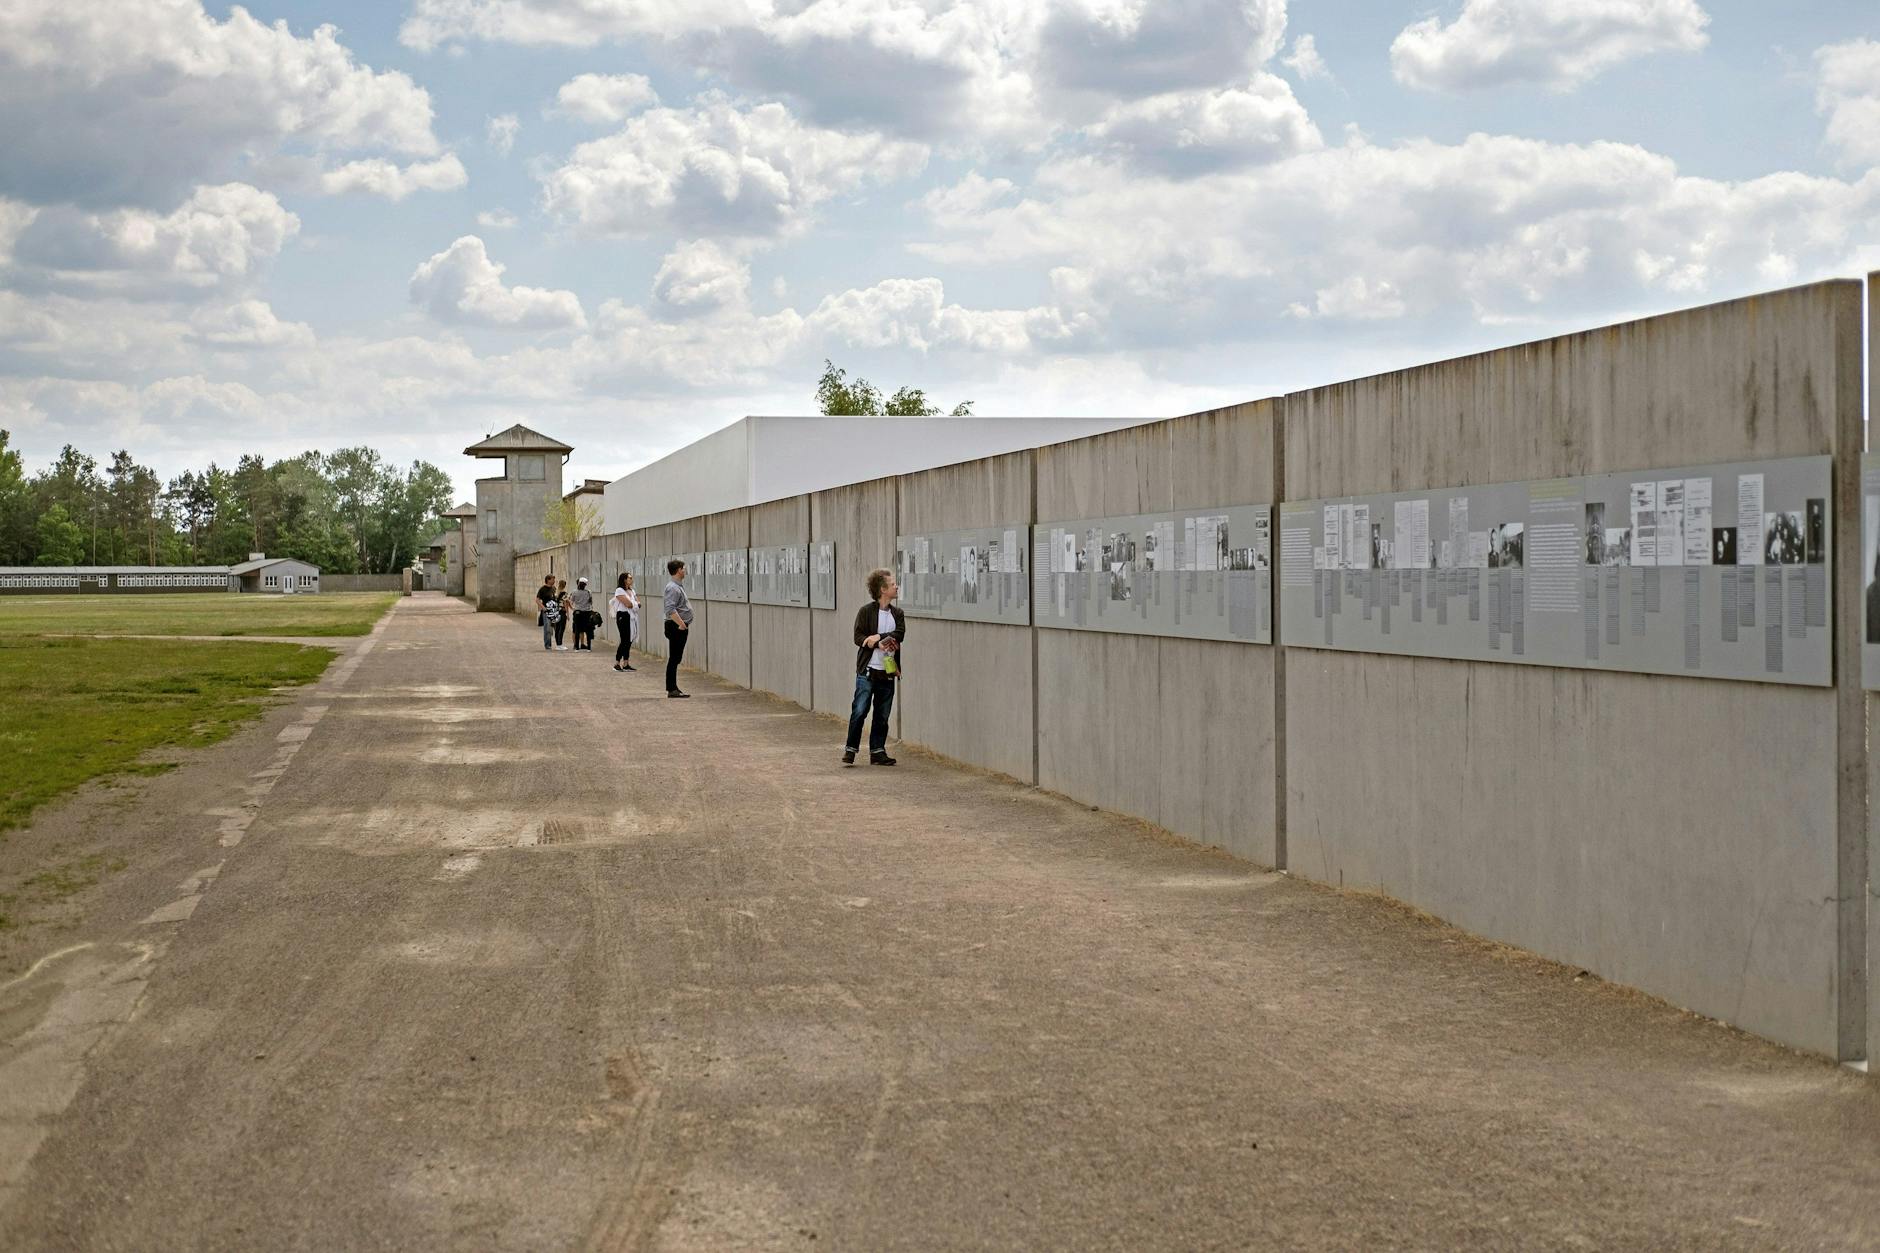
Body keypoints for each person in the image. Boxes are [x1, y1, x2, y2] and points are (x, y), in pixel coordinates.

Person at [844, 567, 905, 766]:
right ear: (882, 589)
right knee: (860, 710)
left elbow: (900, 634)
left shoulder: (897, 613)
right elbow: (858, 636)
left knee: (882, 714)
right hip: (868, 670)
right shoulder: (866, 611)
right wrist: (872, 643)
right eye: (893, 584)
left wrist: (878, 637)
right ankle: (850, 750)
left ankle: (877, 751)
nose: (896, 587)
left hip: (887, 670)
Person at [663, 559, 693, 697]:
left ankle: (673, 687)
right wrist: (681, 624)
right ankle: (672, 689)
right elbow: (670, 609)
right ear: (678, 570)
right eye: (683, 568)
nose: (685, 571)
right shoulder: (673, 588)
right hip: (676, 626)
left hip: (679, 626)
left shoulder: (677, 586)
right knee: (674, 658)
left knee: (676, 658)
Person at [612, 572, 638, 671]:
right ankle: (617, 663)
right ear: (624, 580)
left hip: (631, 616)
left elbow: (638, 602)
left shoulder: (632, 591)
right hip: (623, 616)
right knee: (624, 640)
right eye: (629, 578)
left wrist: (635, 604)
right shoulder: (619, 590)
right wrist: (635, 604)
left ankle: (626, 663)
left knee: (629, 640)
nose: (631, 579)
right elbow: (628, 604)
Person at [535, 575, 560, 651]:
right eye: (553, 579)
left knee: (557, 628)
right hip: (547, 612)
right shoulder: (542, 589)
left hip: (554, 611)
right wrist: (543, 608)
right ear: (548, 580)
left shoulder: (554, 588)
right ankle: (548, 645)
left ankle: (559, 644)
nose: (554, 581)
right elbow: (537, 600)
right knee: (548, 629)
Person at [571, 576, 595, 651]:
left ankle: (577, 648)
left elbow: (572, 601)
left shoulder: (574, 592)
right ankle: (589, 648)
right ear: (585, 585)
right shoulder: (589, 592)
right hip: (587, 613)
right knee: (588, 630)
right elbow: (591, 602)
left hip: (577, 612)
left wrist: (575, 607)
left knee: (577, 629)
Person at [554, 578, 572, 649]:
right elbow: (566, 604)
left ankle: (558, 645)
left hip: (556, 612)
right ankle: (560, 645)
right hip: (562, 612)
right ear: (564, 585)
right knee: (562, 628)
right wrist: (568, 614)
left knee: (557, 628)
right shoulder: (564, 593)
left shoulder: (556, 593)